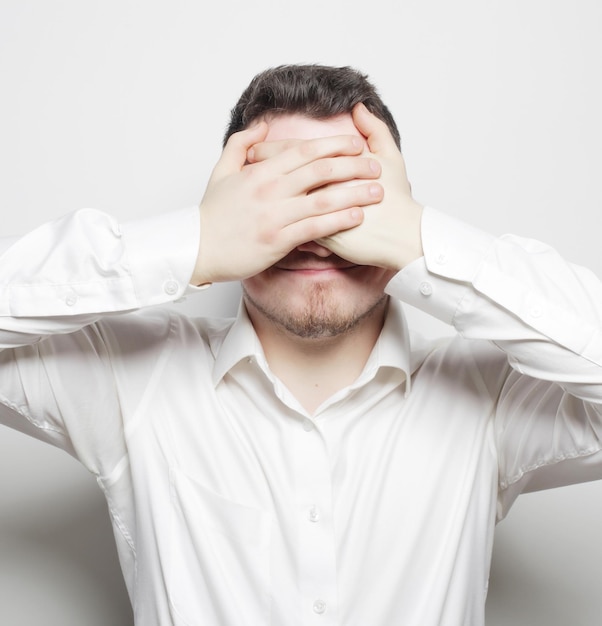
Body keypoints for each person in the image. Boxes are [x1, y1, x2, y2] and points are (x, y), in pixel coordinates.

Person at [1, 63, 601, 626]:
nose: (316, 236)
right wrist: (196, 240)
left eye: (345, 196)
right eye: (280, 196)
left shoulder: (491, 396)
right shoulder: (127, 379)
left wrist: (421, 244)